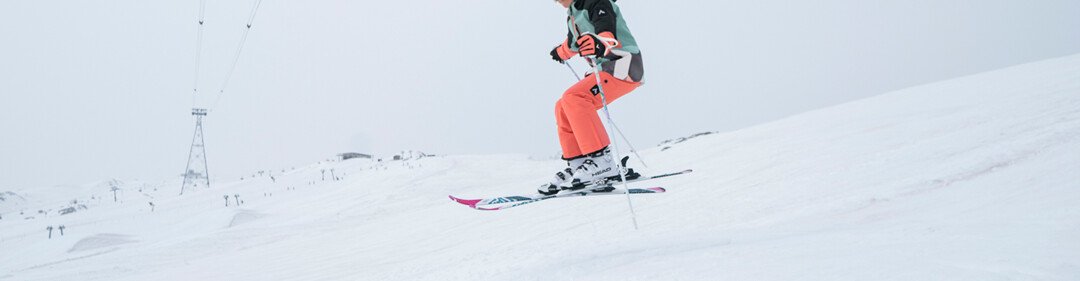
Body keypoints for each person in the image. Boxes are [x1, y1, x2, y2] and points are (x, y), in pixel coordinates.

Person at [539, 0, 644, 195]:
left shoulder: (597, 2)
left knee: (575, 97)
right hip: (605, 69)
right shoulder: (572, 13)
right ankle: (579, 162)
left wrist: (600, 41)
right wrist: (560, 52)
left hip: (624, 65)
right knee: (562, 105)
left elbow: (606, 32)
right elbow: (573, 44)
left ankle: (602, 162)